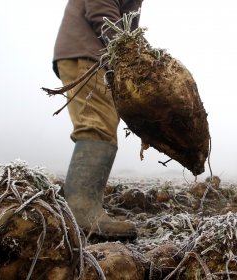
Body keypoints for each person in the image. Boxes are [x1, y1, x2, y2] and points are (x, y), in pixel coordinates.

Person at [52, 0, 143, 239]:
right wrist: (131, 57)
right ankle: (81, 210)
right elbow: (102, 11)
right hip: (88, 55)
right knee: (97, 125)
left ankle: (84, 204)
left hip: (93, 55)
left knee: (104, 125)